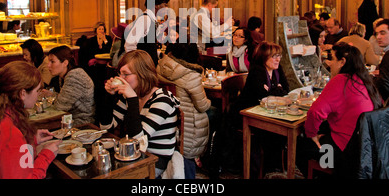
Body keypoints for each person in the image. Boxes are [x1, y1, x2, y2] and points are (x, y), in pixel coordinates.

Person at [298, 43, 382, 177]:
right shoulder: (365, 80)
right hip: (366, 149)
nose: (329, 63)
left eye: (333, 59)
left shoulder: (341, 80)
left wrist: (312, 135)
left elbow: (315, 113)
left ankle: (320, 173)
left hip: (345, 152)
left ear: (342, 62)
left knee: (302, 146)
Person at [0, 61, 61, 179]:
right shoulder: (10, 134)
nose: (38, 95)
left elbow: (2, 154)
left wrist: (31, 140)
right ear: (23, 93)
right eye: (37, 91)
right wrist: (46, 155)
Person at [103, 50, 180, 178]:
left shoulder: (162, 100)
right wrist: (109, 96)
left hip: (156, 160)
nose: (121, 79)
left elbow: (138, 142)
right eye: (119, 74)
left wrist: (132, 99)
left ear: (143, 74)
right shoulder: (131, 94)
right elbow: (106, 127)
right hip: (132, 155)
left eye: (125, 74)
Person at [217, 41, 290, 176]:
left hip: (265, 113)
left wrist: (274, 91)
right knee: (275, 132)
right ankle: (265, 169)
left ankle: (272, 167)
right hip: (245, 114)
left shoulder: (277, 69)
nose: (278, 59)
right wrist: (277, 90)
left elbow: (286, 90)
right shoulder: (257, 71)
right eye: (274, 56)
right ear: (264, 57)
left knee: (282, 132)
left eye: (279, 55)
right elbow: (263, 97)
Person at [157, 43, 212, 178]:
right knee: (215, 113)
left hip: (166, 116)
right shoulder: (191, 75)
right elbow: (202, 106)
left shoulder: (160, 67)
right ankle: (209, 158)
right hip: (187, 121)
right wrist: (210, 100)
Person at [48, 45, 95, 126]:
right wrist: (52, 95)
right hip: (69, 118)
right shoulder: (63, 76)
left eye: (52, 62)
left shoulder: (74, 76)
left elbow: (60, 106)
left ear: (65, 63)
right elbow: (63, 100)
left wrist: (53, 96)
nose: (48, 65)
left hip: (82, 122)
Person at [125, 0, 170, 66]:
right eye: (165, 5)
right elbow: (129, 45)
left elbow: (147, 47)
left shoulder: (152, 20)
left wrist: (159, 54)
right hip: (143, 68)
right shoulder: (145, 20)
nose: (167, 8)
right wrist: (137, 66)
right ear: (156, 5)